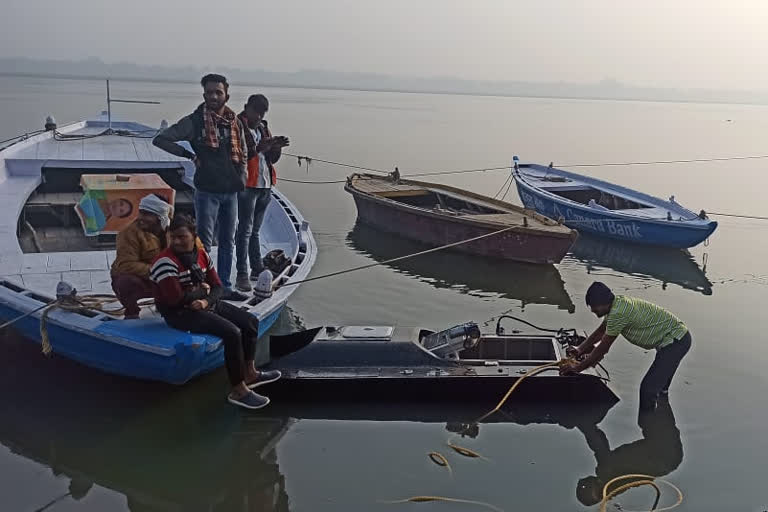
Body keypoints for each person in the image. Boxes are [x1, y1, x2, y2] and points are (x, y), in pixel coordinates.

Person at [150, 214, 280, 409]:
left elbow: (218, 287)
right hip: (178, 314)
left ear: (193, 236)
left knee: (250, 322)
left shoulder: (201, 255)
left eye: (182, 237)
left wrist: (204, 299)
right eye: (173, 237)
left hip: (203, 305)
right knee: (232, 333)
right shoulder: (165, 262)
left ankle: (250, 372)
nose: (176, 241)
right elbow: (174, 299)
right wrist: (204, 291)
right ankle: (238, 390)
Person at [152, 73, 247, 298]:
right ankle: (202, 287)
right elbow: (161, 139)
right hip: (207, 191)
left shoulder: (235, 122)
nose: (213, 96)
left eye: (218, 92)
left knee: (227, 241)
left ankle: (223, 286)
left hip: (231, 191)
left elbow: (243, 150)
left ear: (227, 95)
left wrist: (242, 175)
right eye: (209, 92)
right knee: (201, 244)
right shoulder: (195, 122)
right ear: (204, 94)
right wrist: (189, 154)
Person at [562, 282, 692, 411]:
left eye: (594, 307)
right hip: (675, 338)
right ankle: (660, 422)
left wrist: (577, 368)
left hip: (676, 341)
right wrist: (579, 350)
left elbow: (603, 348)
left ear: (603, 303)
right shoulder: (617, 305)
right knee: (660, 388)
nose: (592, 310)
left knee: (648, 390)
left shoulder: (618, 314)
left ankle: (647, 421)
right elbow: (601, 332)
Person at [575, 399, 683, 506]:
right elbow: (599, 449)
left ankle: (661, 394)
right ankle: (586, 425)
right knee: (650, 410)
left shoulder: (610, 482)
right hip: (665, 455)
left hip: (669, 457)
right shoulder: (606, 475)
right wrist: (585, 427)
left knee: (648, 413)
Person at [234, 94, 289, 291]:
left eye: (262, 113)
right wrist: (260, 147)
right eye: (256, 112)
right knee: (245, 231)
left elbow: (271, 159)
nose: (258, 116)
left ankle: (256, 268)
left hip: (265, 185)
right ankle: (242, 273)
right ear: (246, 107)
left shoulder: (263, 128)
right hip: (247, 186)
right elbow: (239, 154)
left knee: (254, 231)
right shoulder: (237, 126)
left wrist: (276, 147)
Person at [110, 194, 172, 319]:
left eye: (147, 214)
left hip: (169, 277)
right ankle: (131, 312)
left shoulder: (176, 229)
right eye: (141, 213)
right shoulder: (128, 233)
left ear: (160, 217)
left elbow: (195, 249)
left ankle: (167, 304)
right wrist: (159, 270)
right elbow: (126, 265)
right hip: (145, 279)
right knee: (125, 282)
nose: (141, 218)